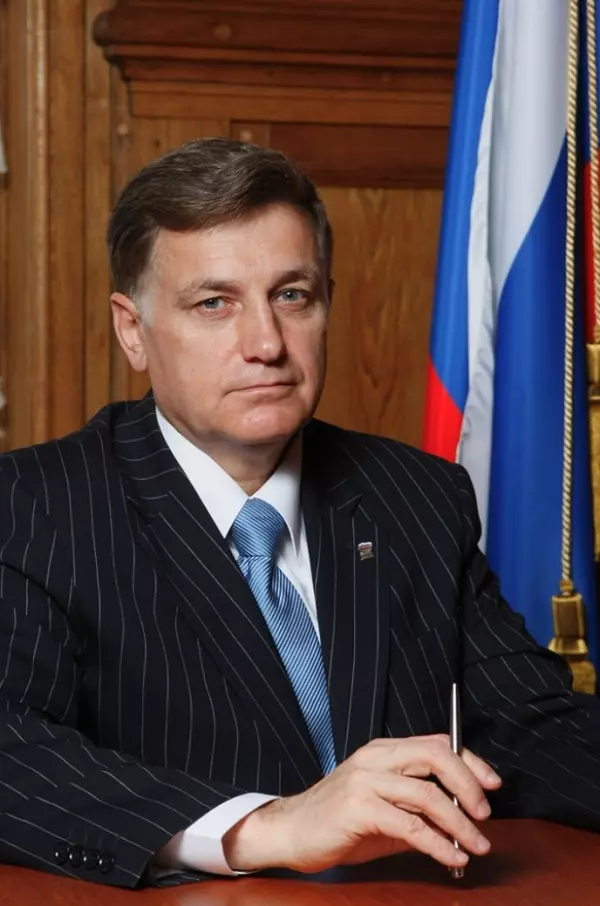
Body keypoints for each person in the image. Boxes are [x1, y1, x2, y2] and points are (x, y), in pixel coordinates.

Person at [1, 139, 600, 890]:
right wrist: (268, 825)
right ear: (133, 331)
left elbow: (529, 726)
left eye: (292, 296)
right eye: (214, 304)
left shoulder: (418, 496)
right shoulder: (34, 506)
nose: (266, 344)